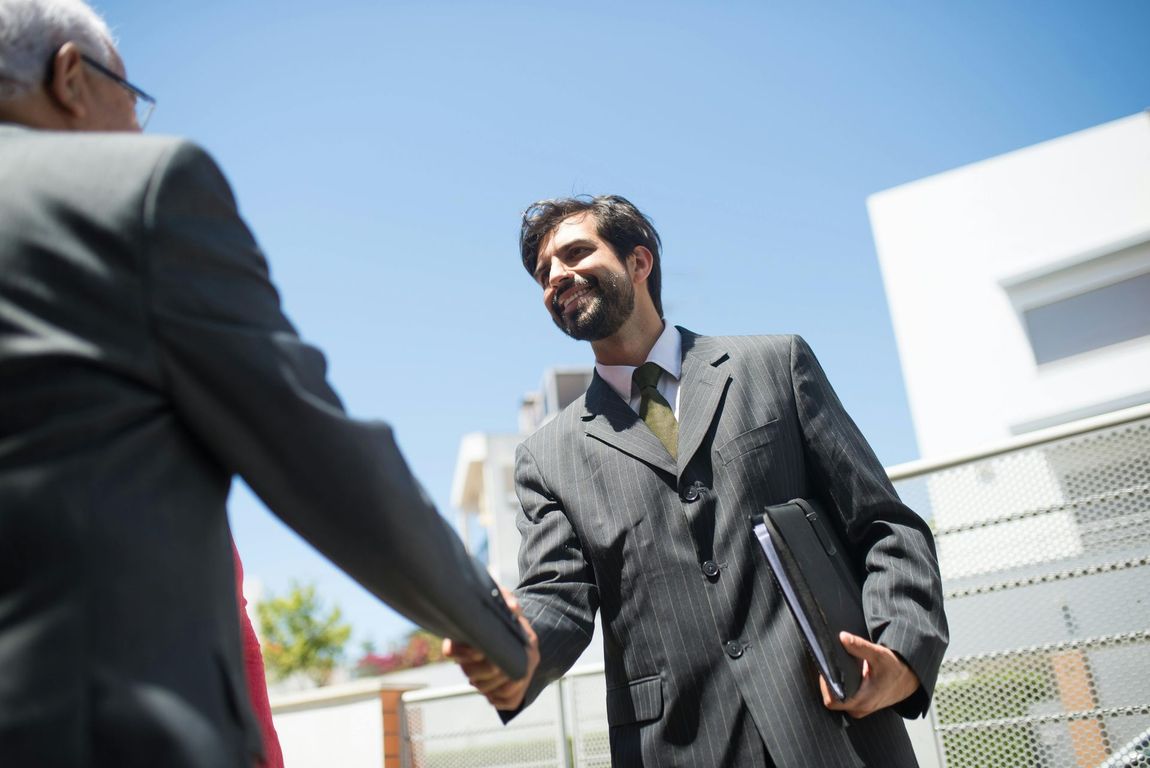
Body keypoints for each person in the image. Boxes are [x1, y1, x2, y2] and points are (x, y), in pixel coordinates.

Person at [0, 1, 526, 765]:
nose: (137, 130)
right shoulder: (132, 191)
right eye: (130, 95)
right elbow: (322, 459)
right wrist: (500, 637)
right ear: (71, 77)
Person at [446, 195, 949, 767]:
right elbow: (556, 598)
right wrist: (519, 648)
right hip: (679, 748)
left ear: (639, 262)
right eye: (543, 272)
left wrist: (902, 655)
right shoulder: (546, 456)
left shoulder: (774, 364)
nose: (556, 275)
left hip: (839, 735)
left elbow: (885, 527)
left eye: (575, 252)